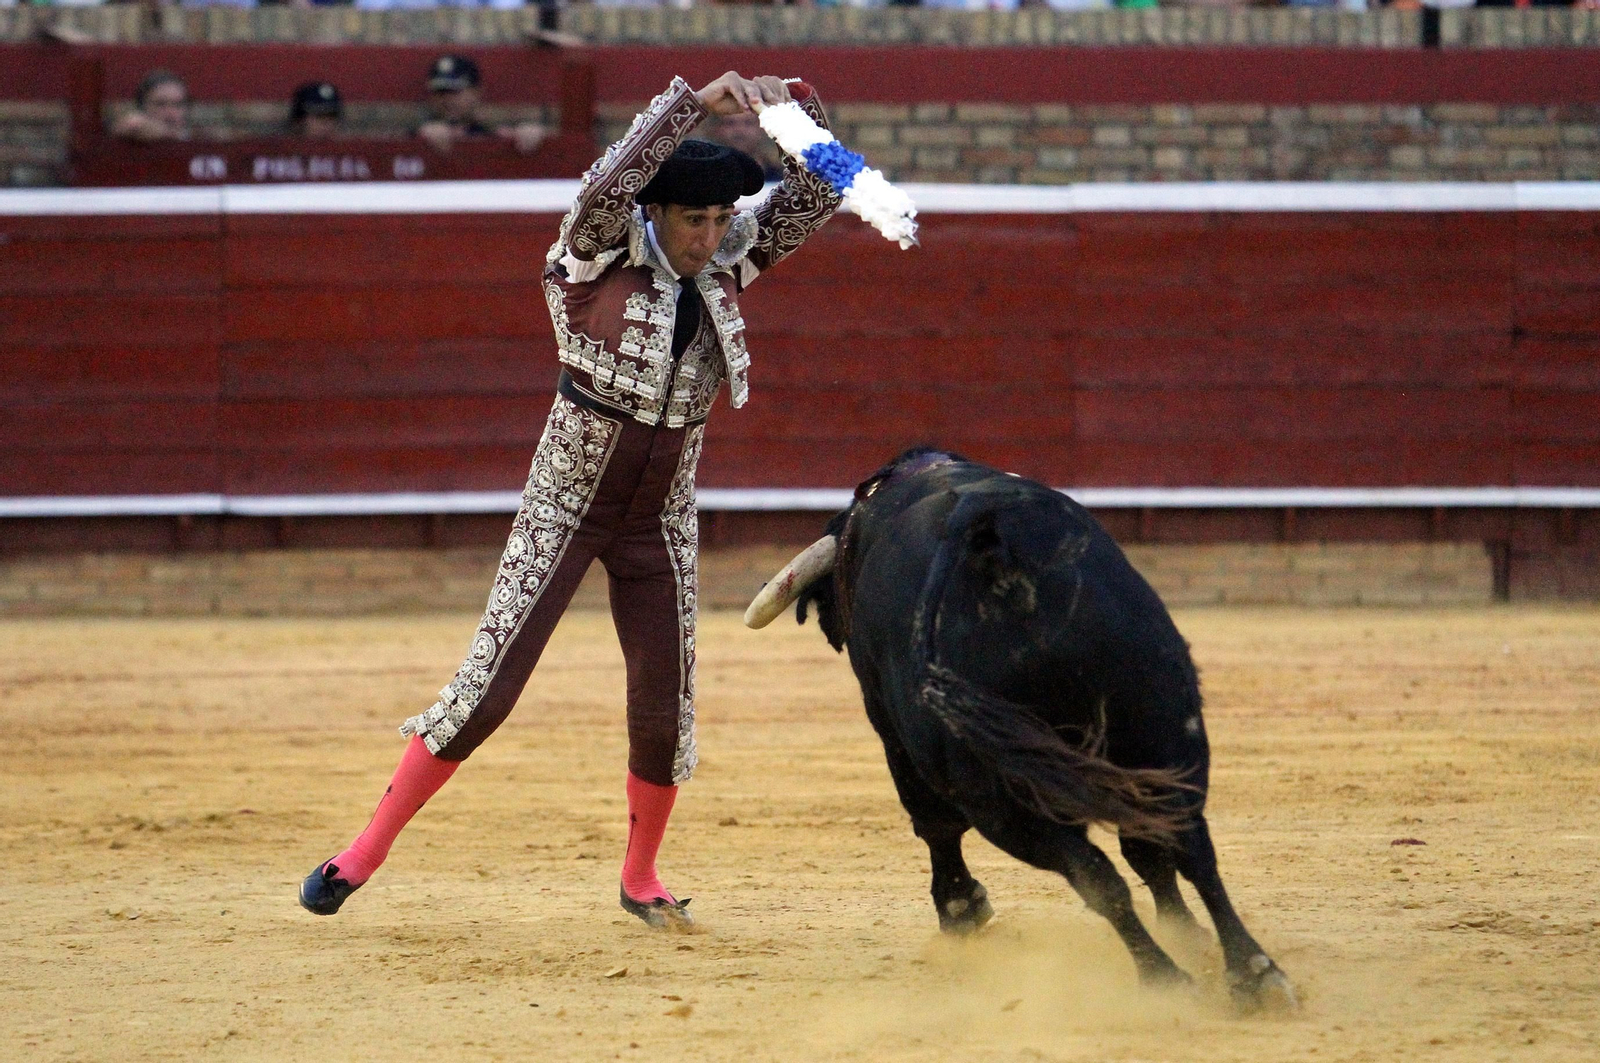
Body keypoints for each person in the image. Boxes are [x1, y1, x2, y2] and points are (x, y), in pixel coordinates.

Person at [301, 70, 842, 928]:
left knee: (665, 703)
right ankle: (362, 850)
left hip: (660, 518)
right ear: (656, 215)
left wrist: (795, 111)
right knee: (488, 689)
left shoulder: (733, 257)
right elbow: (607, 184)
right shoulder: (593, 251)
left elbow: (821, 187)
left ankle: (642, 875)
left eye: (715, 220)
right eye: (692, 220)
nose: (708, 238)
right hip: (564, 505)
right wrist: (691, 106)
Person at [415, 54, 549, 155]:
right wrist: (418, 140)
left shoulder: (493, 136)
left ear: (476, 93)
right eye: (440, 92)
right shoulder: (418, 134)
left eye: (455, 91)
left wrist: (535, 136)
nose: (447, 99)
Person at [111, 70, 190, 143]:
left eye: (178, 105)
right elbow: (130, 124)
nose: (171, 112)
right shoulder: (132, 125)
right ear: (142, 106)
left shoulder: (196, 135)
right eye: (160, 104)